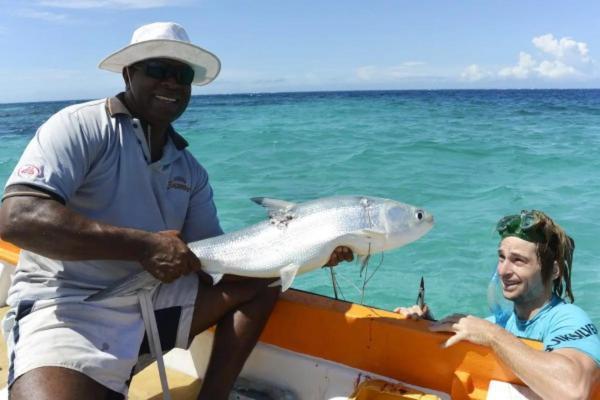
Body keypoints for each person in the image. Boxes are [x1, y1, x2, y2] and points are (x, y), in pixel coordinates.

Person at [0, 22, 353, 400]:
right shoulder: (80, 127)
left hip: (151, 306)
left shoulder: (190, 170)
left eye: (182, 75)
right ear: (128, 73)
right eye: (157, 70)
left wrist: (311, 251)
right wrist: (142, 246)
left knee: (261, 283)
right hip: (67, 308)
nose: (172, 83)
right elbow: (16, 217)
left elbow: (216, 264)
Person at [395, 210, 599, 399]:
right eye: (502, 257)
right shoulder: (502, 321)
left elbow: (574, 391)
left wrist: (492, 335)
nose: (503, 270)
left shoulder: (567, 318)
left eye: (518, 260)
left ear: (554, 271)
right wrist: (427, 325)